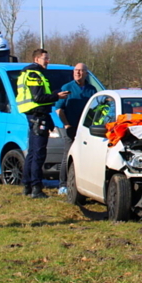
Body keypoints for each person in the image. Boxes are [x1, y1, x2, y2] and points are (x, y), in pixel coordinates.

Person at [15, 49, 69, 199]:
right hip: (37, 115)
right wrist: (56, 96)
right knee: (38, 153)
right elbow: (39, 97)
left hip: (36, 115)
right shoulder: (34, 74)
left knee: (32, 152)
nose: (48, 61)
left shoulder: (28, 73)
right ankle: (36, 188)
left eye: (48, 58)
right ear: (37, 59)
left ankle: (27, 186)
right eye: (45, 58)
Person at [54, 63, 98, 193]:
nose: (78, 73)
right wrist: (67, 124)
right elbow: (59, 109)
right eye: (76, 70)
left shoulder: (92, 90)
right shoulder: (67, 88)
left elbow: (96, 110)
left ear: (86, 73)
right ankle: (63, 185)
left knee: (86, 157)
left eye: (81, 71)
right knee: (68, 156)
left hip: (86, 130)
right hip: (71, 128)